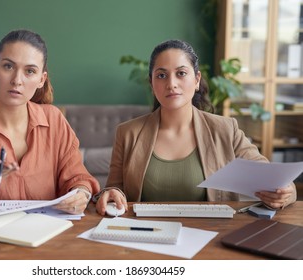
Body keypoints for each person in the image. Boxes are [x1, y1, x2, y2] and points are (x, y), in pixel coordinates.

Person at [95, 39, 297, 215]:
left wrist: (284, 193)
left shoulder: (226, 129)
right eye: (162, 75)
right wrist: (111, 195)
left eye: (181, 73)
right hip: (145, 233)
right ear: (151, 83)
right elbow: (114, 189)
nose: (171, 84)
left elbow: (276, 180)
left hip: (210, 236)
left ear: (197, 80)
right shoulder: (127, 132)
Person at [0, 29, 99, 213]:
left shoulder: (54, 119)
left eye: (30, 71)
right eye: (8, 66)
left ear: (41, 79)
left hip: (49, 234)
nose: (17, 80)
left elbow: (78, 177)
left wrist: (81, 193)